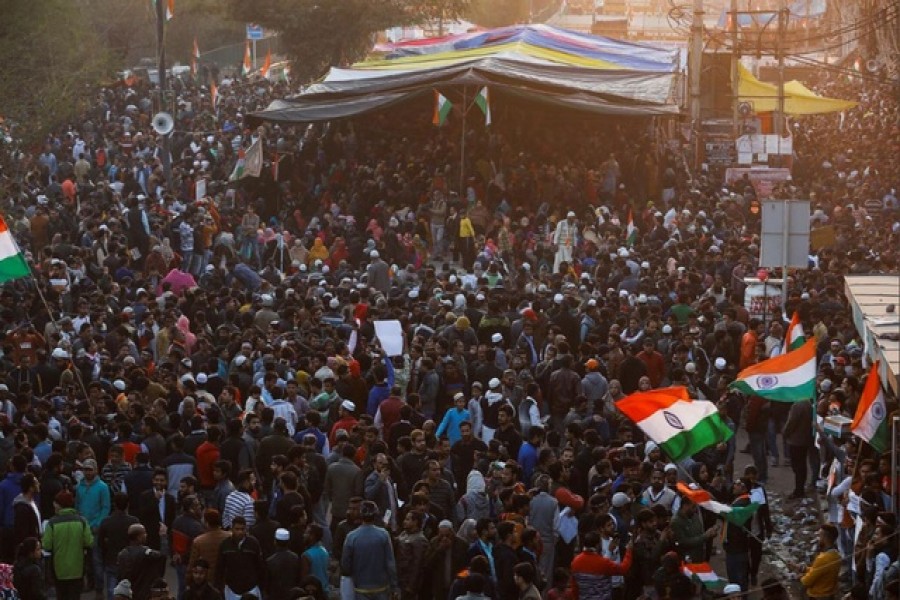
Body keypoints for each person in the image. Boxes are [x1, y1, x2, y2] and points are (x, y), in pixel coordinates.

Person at [341, 500, 398, 600]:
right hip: (381, 588)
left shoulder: (351, 537)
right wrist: (394, 586)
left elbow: (345, 565)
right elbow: (390, 564)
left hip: (360, 588)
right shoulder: (383, 535)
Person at [42, 490, 93, 600]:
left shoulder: (52, 523)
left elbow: (46, 545)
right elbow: (89, 542)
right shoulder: (82, 521)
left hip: (59, 569)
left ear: (60, 504)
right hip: (77, 568)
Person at [97, 493, 139, 600]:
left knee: (112, 589)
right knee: (130, 589)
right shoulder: (134, 522)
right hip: (130, 561)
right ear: (128, 505)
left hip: (111, 559)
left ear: (114, 505)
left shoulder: (106, 522)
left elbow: (100, 543)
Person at [568, 530, 633, 599]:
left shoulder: (575, 562)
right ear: (597, 545)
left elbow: (574, 588)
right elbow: (623, 569)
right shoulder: (603, 563)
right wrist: (629, 551)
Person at [215, 516, 265, 599]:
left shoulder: (253, 543)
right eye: (237, 529)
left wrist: (262, 586)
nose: (240, 532)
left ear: (246, 529)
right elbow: (220, 567)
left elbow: (260, 566)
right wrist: (219, 586)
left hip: (251, 588)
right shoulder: (225, 545)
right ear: (232, 529)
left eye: (242, 529)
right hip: (232, 590)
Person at [116, 524, 167, 600]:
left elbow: (119, 576)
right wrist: (163, 536)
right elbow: (163, 556)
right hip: (145, 595)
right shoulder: (147, 554)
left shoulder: (122, 554)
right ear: (139, 537)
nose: (146, 535)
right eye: (144, 533)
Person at [790, 524, 842, 600]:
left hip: (818, 596)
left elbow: (806, 581)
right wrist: (800, 568)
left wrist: (800, 576)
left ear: (824, 538)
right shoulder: (836, 555)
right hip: (830, 595)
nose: (818, 539)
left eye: (819, 536)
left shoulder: (823, 558)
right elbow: (818, 570)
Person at [265, 528, 302, 600]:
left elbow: (267, 584)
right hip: (292, 596)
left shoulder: (270, 561)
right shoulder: (295, 558)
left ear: (275, 542)